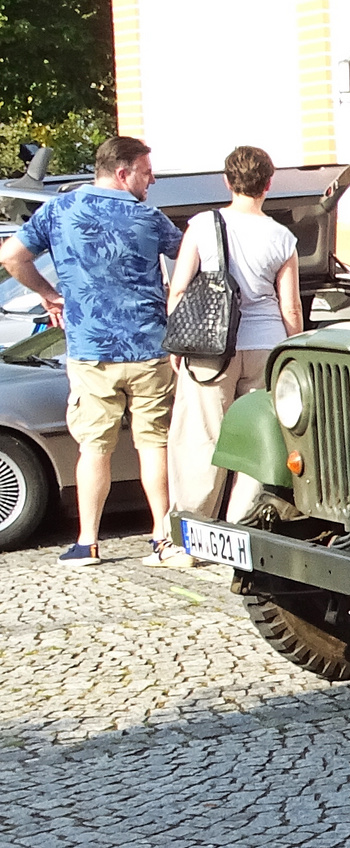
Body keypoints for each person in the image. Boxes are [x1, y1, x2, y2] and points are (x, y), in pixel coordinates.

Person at [0, 136, 181, 567]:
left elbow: (12, 256)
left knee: (94, 447)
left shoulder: (59, 210)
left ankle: (88, 542)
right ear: (122, 173)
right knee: (153, 444)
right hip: (149, 348)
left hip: (90, 351)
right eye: (146, 171)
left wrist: (49, 294)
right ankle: (161, 537)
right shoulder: (148, 217)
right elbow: (192, 256)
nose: (151, 179)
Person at [165, 146, 301, 544]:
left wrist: (179, 340)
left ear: (227, 181)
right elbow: (290, 305)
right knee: (257, 439)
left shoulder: (203, 225)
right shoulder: (282, 236)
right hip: (266, 344)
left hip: (209, 347)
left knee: (200, 437)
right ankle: (243, 528)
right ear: (268, 185)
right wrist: (291, 351)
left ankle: (193, 534)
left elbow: (179, 288)